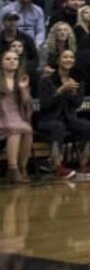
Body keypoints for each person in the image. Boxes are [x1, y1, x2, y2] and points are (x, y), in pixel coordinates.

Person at [36, 49, 90, 178]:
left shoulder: (77, 80)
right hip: (48, 119)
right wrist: (60, 90)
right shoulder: (47, 80)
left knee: (89, 127)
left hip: (69, 118)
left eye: (71, 57)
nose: (68, 59)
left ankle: (84, 164)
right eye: (65, 57)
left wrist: (72, 93)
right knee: (58, 127)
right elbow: (45, 105)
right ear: (58, 60)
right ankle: (57, 166)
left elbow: (77, 104)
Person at [0, 48, 33, 183]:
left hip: (16, 116)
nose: (12, 61)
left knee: (27, 129)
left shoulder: (21, 79)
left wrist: (23, 89)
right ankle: (12, 169)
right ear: (1, 62)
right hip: (2, 116)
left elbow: (27, 105)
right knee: (15, 129)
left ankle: (22, 167)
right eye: (8, 59)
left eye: (15, 59)